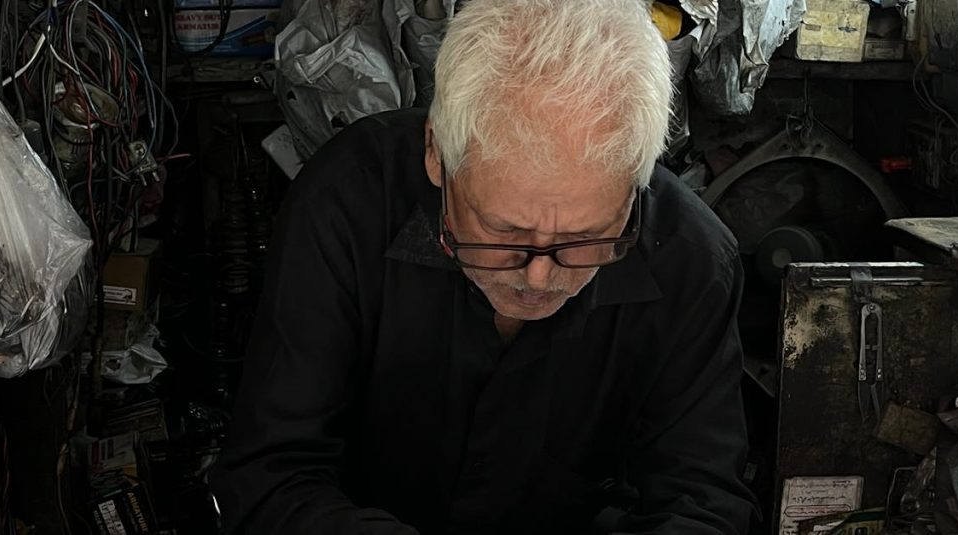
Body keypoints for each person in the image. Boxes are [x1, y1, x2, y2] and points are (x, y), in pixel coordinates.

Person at [210, 0, 757, 533]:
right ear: (437, 153)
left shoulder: (691, 260)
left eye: (585, 238)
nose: (539, 277)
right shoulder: (347, 205)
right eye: (504, 230)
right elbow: (268, 481)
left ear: (636, 183)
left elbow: (705, 506)